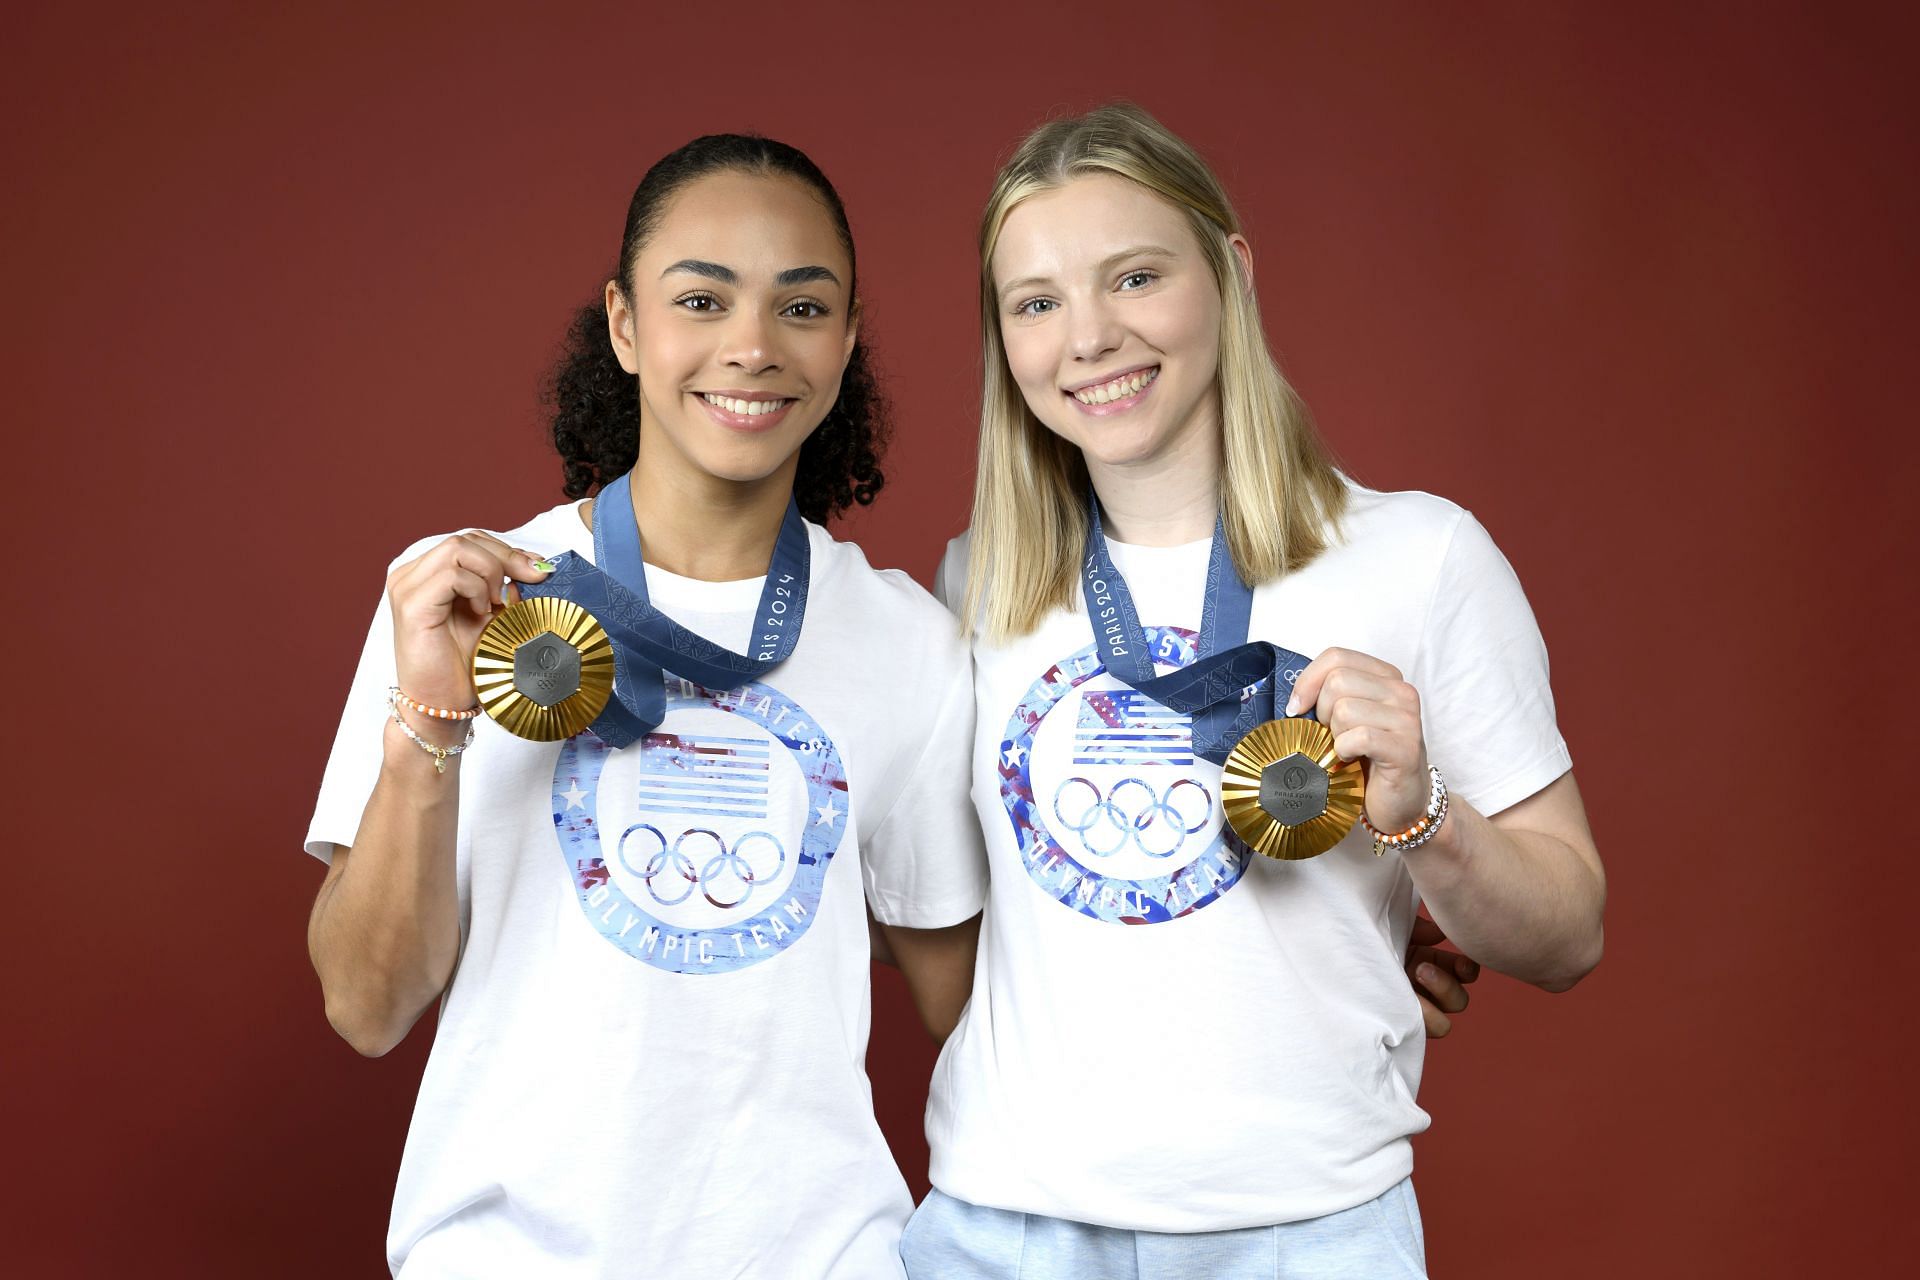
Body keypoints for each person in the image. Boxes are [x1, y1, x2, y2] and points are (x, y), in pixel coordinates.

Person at [905, 104, 1606, 1277]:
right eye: (1037, 302)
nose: (1088, 337)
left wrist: (1424, 824)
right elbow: (964, 930)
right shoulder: (978, 582)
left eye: (1134, 276)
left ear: (1229, 269)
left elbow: (1570, 930)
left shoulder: (1420, 555)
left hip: (1307, 1230)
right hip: (1000, 1226)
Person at [303, 134, 984, 1278]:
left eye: (802, 307)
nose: (753, 346)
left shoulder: (910, 642)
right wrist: (430, 729)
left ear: (849, 335)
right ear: (625, 324)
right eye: (702, 298)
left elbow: (975, 1007)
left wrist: (1335, 930)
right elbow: (367, 1007)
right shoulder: (466, 594)